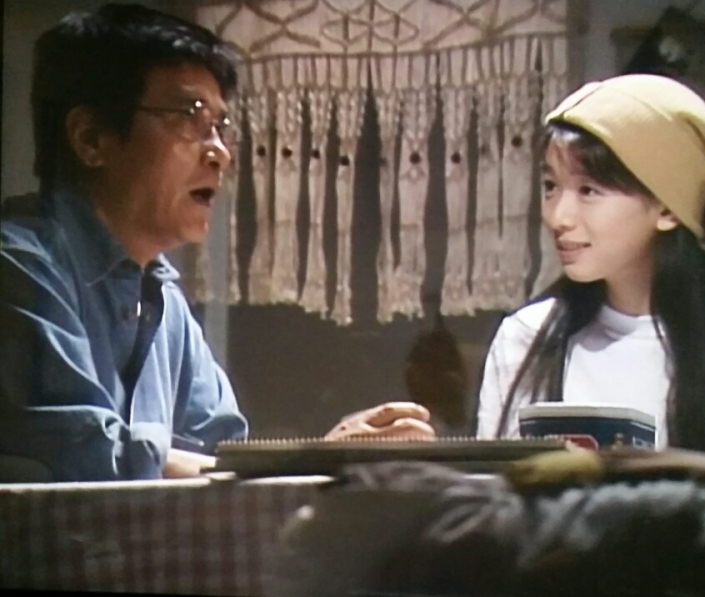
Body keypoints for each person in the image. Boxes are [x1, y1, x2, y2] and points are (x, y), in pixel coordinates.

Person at [0, 3, 432, 483]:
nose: (220, 153)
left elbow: (222, 458)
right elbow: (86, 457)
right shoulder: (19, 268)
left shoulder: (162, 297)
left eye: (220, 127)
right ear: (91, 138)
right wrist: (308, 464)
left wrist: (316, 459)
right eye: (190, 117)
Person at [476, 74, 705, 464]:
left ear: (667, 208)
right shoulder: (526, 337)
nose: (559, 217)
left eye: (588, 191)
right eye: (550, 186)